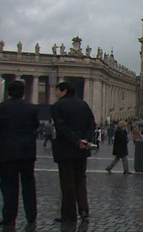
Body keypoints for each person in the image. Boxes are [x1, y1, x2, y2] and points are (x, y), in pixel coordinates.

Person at [0, 80, 40, 227]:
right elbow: (35, 126)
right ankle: (31, 215)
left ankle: (9, 216)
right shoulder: (32, 109)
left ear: (8, 92)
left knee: (8, 186)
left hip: (7, 152)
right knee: (28, 184)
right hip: (27, 153)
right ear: (23, 92)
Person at [51, 81, 96, 223]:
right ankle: (83, 210)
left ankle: (68, 215)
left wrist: (77, 141)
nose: (56, 93)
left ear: (64, 92)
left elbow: (61, 128)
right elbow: (91, 124)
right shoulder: (83, 104)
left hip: (66, 149)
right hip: (82, 150)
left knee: (67, 183)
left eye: (57, 90)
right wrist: (86, 141)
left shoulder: (57, 106)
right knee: (80, 180)